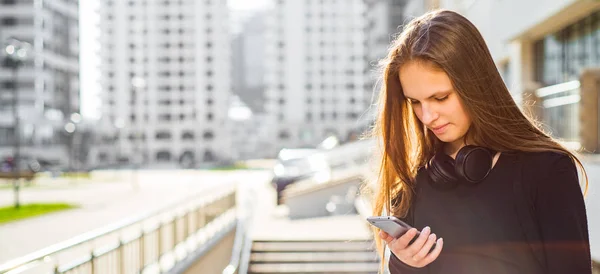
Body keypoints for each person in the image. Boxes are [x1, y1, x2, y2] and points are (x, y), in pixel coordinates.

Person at [370, 9, 592, 273]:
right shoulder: (413, 183)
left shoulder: (548, 170)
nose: (427, 116)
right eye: (415, 102)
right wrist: (404, 263)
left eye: (440, 98)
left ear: (475, 85)